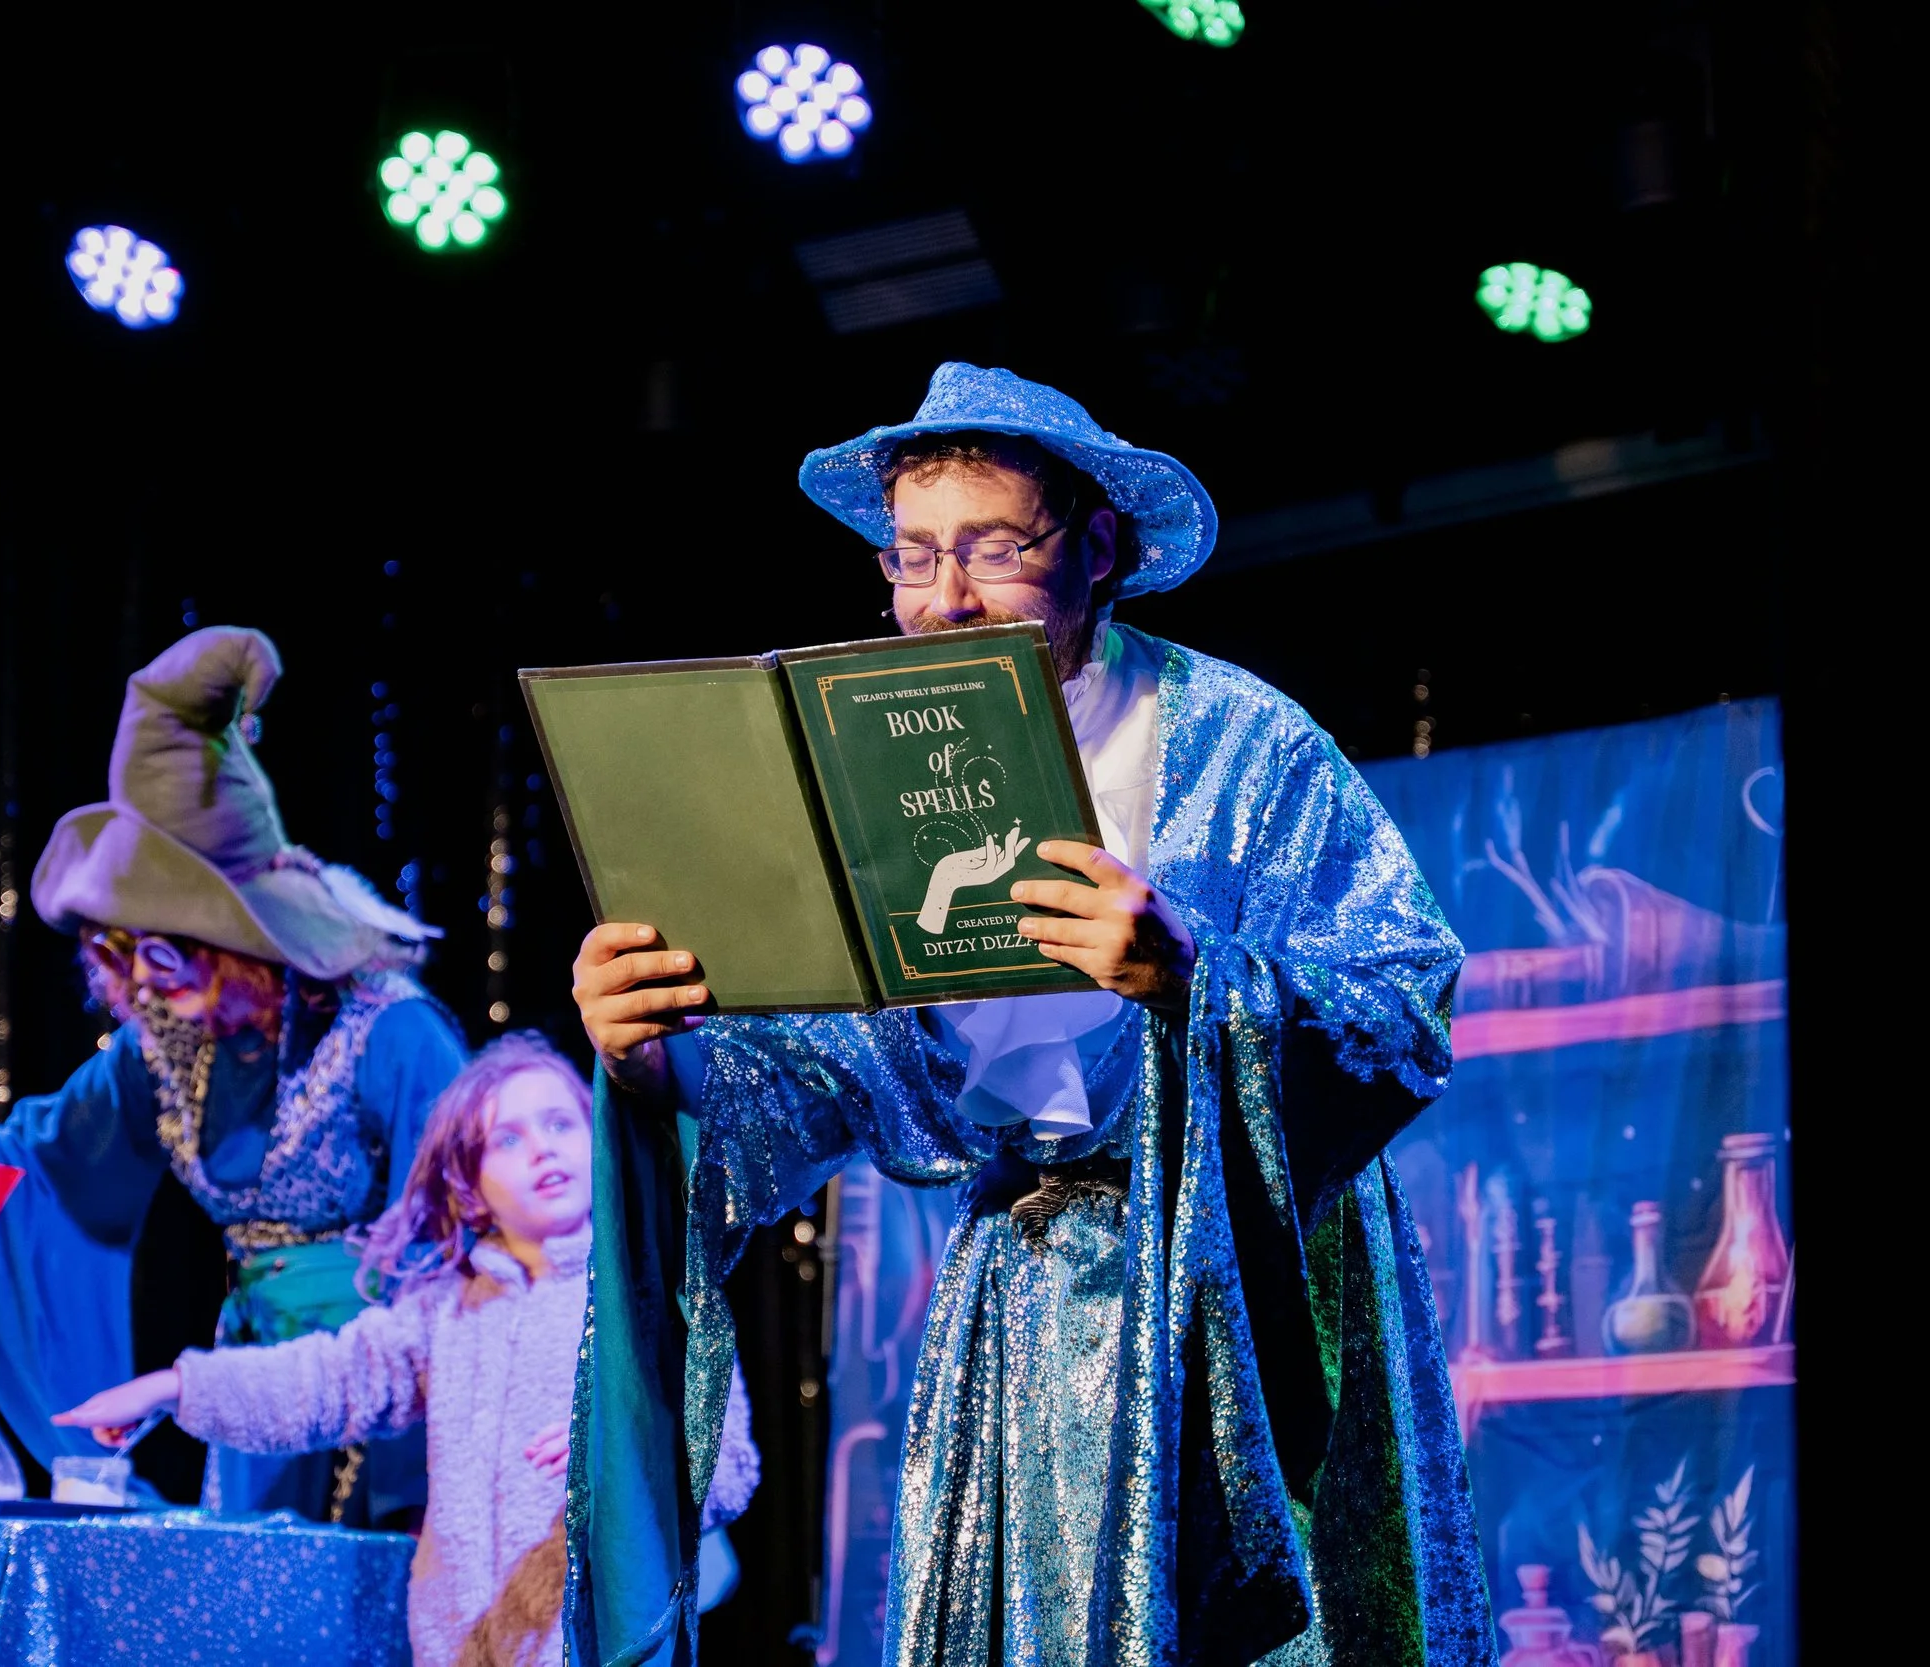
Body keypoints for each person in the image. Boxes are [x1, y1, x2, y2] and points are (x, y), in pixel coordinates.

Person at [566, 364, 1487, 1665]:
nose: (944, 598)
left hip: (1230, 1300)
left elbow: (1404, 1000)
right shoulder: (883, 775)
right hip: (1028, 1297)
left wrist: (1196, 972)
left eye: (995, 548)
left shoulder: (1237, 740)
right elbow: (833, 1067)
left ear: (1100, 546)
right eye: (912, 557)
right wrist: (658, 1048)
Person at [0, 626, 468, 1522]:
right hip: (256, 1406)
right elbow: (49, 1173)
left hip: (400, 1411)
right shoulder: (163, 1048)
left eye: (167, 948)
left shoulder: (392, 1032)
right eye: (119, 949)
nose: (144, 980)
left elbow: (474, 1239)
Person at [54, 1033, 760, 1667]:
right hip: (459, 1646)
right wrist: (175, 1387)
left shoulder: (654, 1298)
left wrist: (617, 1453)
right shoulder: (444, 1314)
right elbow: (322, 1380)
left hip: (600, 1644)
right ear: (469, 1186)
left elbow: (727, 1464)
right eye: (506, 1138)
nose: (542, 1147)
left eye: (560, 1123)